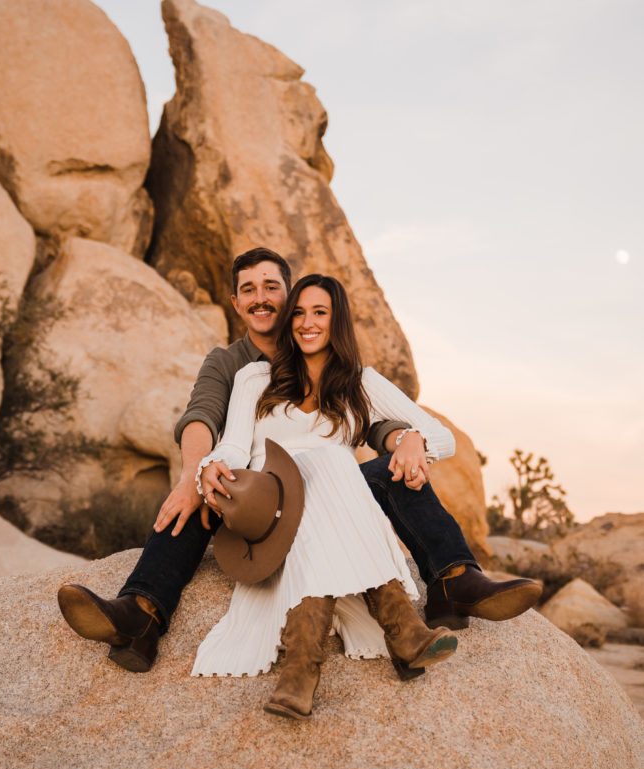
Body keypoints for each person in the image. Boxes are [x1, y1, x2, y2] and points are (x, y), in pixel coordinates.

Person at [58, 247, 540, 672]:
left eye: (272, 286)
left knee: (390, 472)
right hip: (255, 495)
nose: (261, 297)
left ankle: (454, 579)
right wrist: (193, 475)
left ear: (289, 297)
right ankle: (140, 614)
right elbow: (203, 415)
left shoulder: (339, 369)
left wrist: (408, 438)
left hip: (329, 490)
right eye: (248, 289)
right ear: (236, 303)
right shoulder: (235, 367)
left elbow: (369, 422)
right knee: (195, 498)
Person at [193, 274, 462, 718]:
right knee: (333, 463)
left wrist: (414, 440)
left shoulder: (361, 381)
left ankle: (302, 666)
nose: (306, 322)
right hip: (273, 501)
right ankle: (403, 630)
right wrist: (211, 465)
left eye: (320, 312)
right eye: (298, 312)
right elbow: (236, 445)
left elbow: (443, 437)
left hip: (330, 507)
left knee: (335, 463)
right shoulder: (255, 376)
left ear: (337, 321)